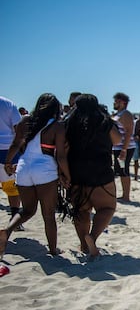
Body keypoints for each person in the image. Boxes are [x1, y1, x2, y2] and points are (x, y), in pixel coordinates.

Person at [0, 93, 70, 257]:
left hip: (23, 169)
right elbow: (60, 156)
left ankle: (7, 231)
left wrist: (8, 163)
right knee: (48, 214)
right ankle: (53, 250)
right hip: (45, 170)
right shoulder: (58, 126)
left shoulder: (25, 121)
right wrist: (68, 176)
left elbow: (16, 144)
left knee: (27, 210)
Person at [63, 94, 121, 258]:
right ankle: (92, 237)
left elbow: (63, 148)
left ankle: (83, 244)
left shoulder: (70, 123)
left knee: (81, 211)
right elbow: (117, 140)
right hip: (100, 171)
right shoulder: (104, 122)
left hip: (76, 172)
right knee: (107, 208)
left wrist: (64, 174)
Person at [0, 96, 25, 232]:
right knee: (12, 189)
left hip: (7, 149)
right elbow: (18, 129)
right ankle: (15, 219)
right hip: (7, 149)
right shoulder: (8, 103)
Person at [112, 92, 135, 202]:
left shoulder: (126, 114)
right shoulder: (119, 114)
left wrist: (124, 149)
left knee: (124, 171)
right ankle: (124, 195)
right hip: (119, 147)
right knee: (121, 171)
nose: (114, 103)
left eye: (116, 101)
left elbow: (129, 132)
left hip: (125, 147)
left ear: (123, 103)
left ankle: (126, 196)